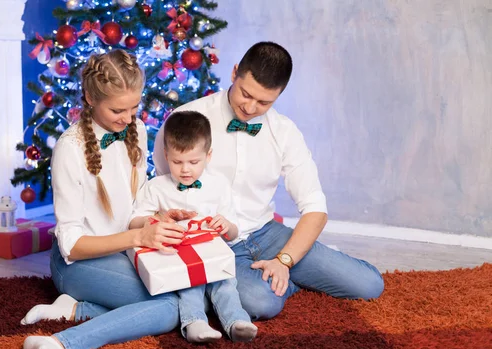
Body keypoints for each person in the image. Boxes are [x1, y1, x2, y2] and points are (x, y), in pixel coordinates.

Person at [152, 42, 384, 321]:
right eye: (245, 94)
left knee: (370, 285)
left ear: (279, 94)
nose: (250, 107)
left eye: (264, 102)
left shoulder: (284, 132)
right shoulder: (186, 120)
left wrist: (284, 260)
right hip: (215, 241)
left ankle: (281, 273)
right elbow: (164, 183)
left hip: (268, 234)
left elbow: (315, 207)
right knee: (262, 303)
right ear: (234, 73)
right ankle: (282, 282)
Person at [20, 50, 193, 349]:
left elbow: (133, 208)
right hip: (77, 263)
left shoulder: (136, 129)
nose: (128, 118)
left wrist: (155, 218)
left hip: (125, 250)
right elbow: (71, 245)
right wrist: (138, 237)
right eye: (117, 110)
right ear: (89, 97)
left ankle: (74, 309)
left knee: (183, 286)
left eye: (134, 107)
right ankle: (60, 344)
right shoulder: (70, 149)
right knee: (171, 306)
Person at [129, 111, 258, 343]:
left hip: (213, 253)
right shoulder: (156, 187)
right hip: (177, 256)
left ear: (208, 156)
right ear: (166, 155)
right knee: (189, 285)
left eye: (193, 162)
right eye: (177, 162)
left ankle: (237, 321)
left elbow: (234, 232)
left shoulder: (218, 185)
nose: (185, 170)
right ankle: (194, 323)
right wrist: (156, 220)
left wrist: (226, 226)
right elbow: (134, 221)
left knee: (227, 283)